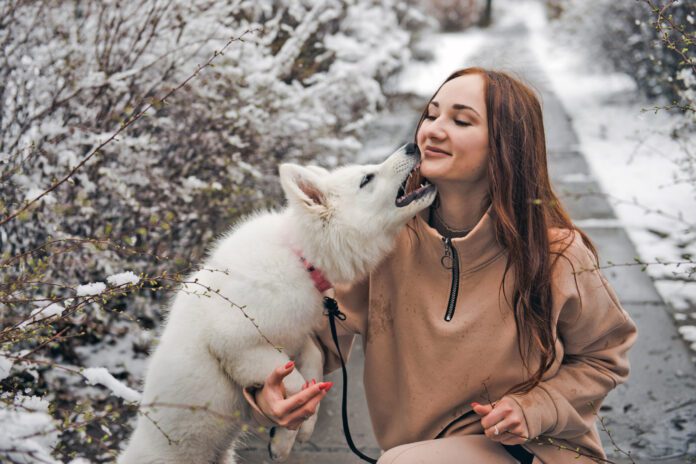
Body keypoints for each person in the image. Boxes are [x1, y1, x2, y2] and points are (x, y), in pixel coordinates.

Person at [244, 67, 638, 463]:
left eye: (461, 120)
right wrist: (271, 389)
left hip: (536, 451)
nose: (433, 129)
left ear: (507, 146)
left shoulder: (554, 253)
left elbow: (605, 356)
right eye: (431, 115)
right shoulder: (384, 244)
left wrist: (533, 409)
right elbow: (316, 338)